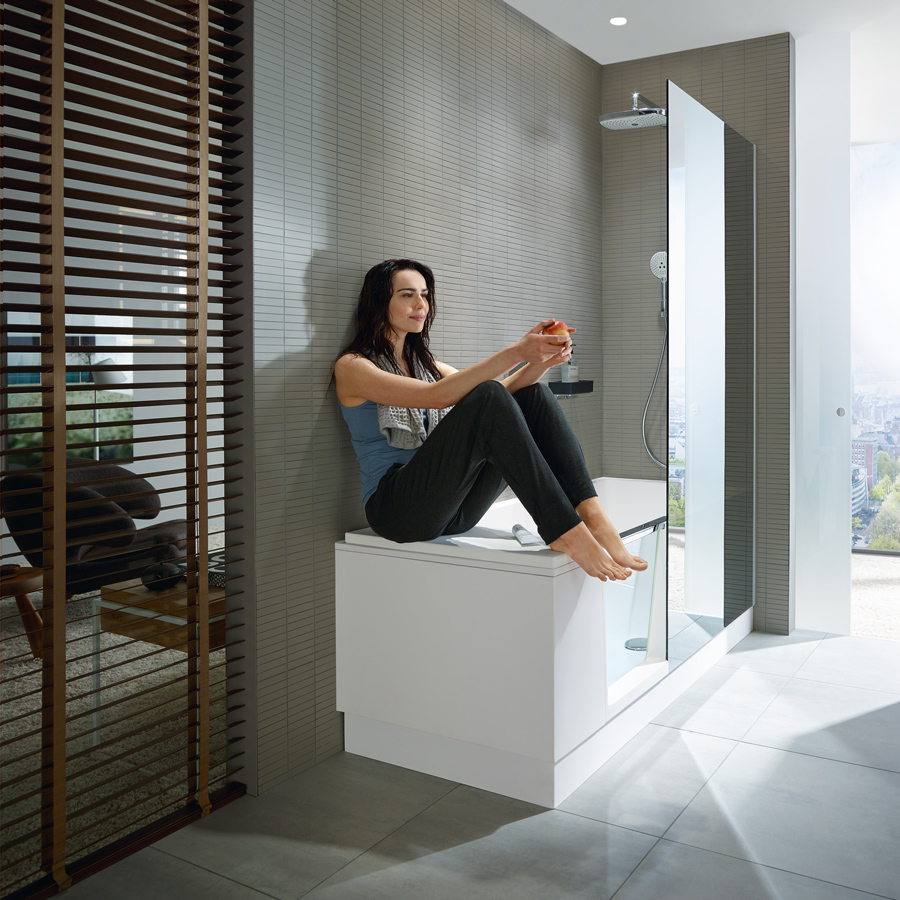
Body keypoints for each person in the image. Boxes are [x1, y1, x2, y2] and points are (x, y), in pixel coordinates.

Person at [334, 258, 647, 581]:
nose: (421, 304)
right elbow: (438, 397)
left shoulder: (427, 366)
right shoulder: (354, 368)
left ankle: (590, 513)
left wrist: (542, 361)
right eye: (407, 295)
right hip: (397, 511)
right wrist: (517, 352)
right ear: (378, 302)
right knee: (488, 397)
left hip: (452, 509)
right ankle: (565, 531)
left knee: (532, 396)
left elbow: (501, 398)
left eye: (425, 295)